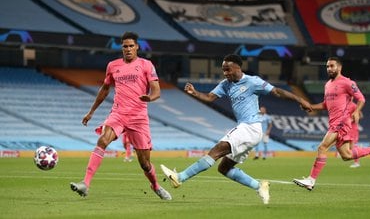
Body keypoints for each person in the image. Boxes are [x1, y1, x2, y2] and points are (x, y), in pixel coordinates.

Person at [160, 54, 312, 204]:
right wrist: (195, 93)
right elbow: (209, 97)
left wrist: (300, 99)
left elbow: (277, 91)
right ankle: (259, 186)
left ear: (238, 67)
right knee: (224, 168)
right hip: (246, 130)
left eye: (228, 69)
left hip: (250, 127)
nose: (225, 73)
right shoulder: (225, 84)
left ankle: (180, 177)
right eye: (223, 70)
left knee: (216, 151)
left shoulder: (253, 82)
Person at [70, 32, 172, 200]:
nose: (128, 49)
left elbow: (156, 90)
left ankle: (155, 186)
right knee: (102, 140)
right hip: (118, 113)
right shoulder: (113, 66)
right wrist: (91, 111)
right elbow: (105, 89)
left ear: (137, 47)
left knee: (144, 163)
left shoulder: (146, 65)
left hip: (139, 117)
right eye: (125, 46)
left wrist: (150, 98)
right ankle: (85, 184)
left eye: (131, 46)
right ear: (121, 48)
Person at [293, 57, 370, 191]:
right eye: (327, 66)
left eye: (332, 66)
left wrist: (356, 112)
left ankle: (311, 180)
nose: (329, 69)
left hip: (342, 122)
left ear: (339, 67)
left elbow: (361, 99)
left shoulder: (347, 83)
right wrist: (311, 106)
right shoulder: (327, 85)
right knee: (346, 155)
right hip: (334, 122)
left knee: (322, 147)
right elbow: (326, 104)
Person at [348, 100, 363, 168]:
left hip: (353, 129)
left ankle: (357, 162)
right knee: (349, 146)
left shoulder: (353, 105)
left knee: (352, 146)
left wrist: (353, 119)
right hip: (346, 129)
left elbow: (361, 115)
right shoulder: (342, 104)